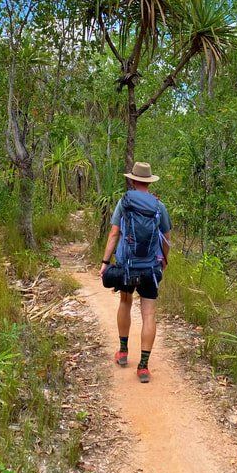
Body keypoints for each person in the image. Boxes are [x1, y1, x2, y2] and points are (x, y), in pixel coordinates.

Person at [100, 161, 171, 383]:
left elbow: (114, 234)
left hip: (127, 265)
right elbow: (166, 238)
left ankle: (122, 352)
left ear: (132, 180)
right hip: (150, 267)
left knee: (125, 302)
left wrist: (105, 262)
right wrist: (164, 262)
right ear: (149, 182)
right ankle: (143, 366)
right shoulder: (159, 207)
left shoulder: (125, 202)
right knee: (148, 314)